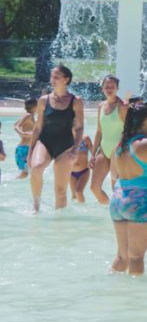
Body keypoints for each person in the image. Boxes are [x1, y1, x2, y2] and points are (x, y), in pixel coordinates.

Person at [108, 102, 147, 275]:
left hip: (117, 201)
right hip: (140, 202)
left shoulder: (119, 146)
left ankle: (111, 289)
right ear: (146, 121)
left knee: (122, 257)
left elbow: (113, 177)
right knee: (136, 257)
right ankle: (134, 298)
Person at [26, 64, 85, 212]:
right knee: (37, 168)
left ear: (66, 79)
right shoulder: (44, 100)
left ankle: (59, 226)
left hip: (65, 146)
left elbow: (79, 127)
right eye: (52, 76)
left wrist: (76, 149)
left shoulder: (76, 101)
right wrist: (30, 150)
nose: (53, 79)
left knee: (60, 192)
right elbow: (38, 127)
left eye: (57, 76)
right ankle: (36, 206)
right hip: (45, 142)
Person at [90, 74, 127, 205]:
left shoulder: (122, 106)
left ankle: (120, 215)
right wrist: (93, 154)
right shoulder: (101, 106)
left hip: (119, 151)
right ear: (102, 89)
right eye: (107, 86)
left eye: (112, 86)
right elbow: (99, 131)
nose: (109, 89)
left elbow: (128, 130)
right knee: (94, 188)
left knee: (116, 188)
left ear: (117, 88)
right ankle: (109, 208)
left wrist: (120, 148)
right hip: (103, 150)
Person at [14, 96, 37, 179]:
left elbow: (15, 123)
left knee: (33, 170)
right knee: (25, 174)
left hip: (27, 148)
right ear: (35, 106)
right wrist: (22, 133)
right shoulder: (28, 115)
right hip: (23, 149)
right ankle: (11, 182)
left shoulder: (29, 116)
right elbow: (16, 126)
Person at [70, 134, 93, 202]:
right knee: (74, 196)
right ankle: (76, 212)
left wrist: (92, 161)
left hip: (84, 171)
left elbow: (94, 153)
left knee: (78, 191)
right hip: (71, 173)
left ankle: (84, 210)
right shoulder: (66, 140)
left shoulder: (85, 139)